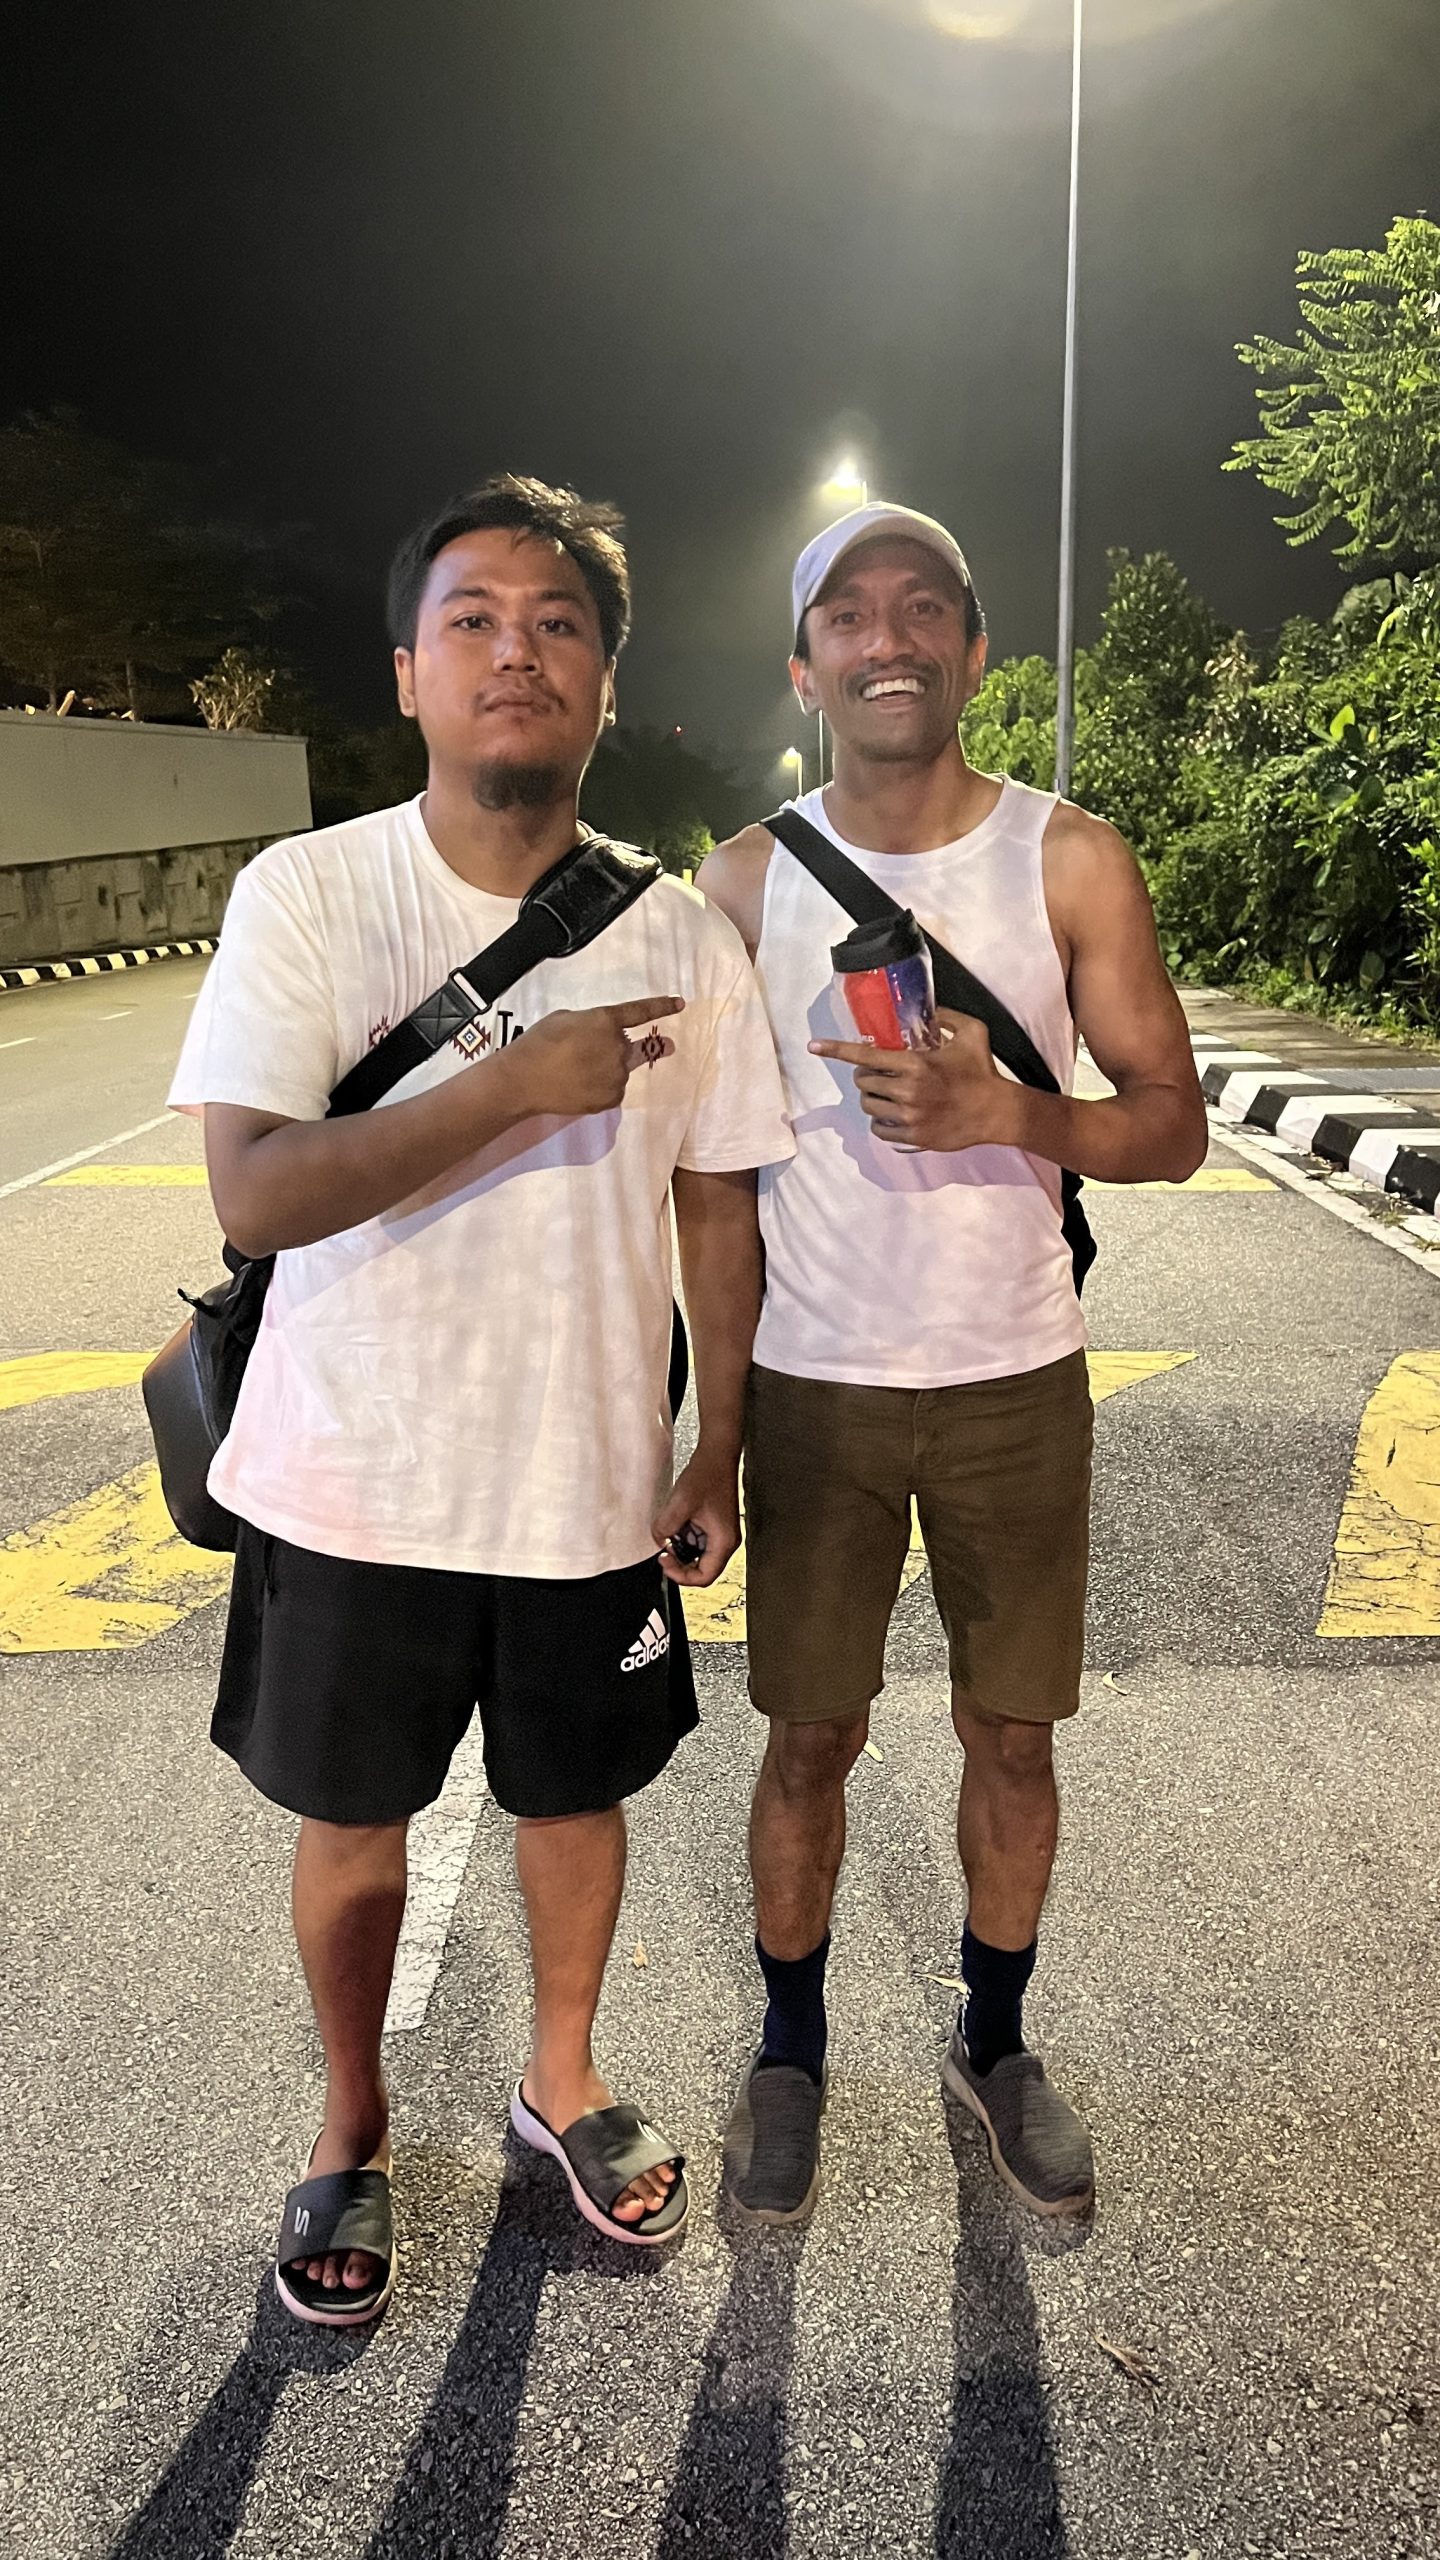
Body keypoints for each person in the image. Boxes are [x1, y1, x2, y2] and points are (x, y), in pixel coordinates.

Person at [169, 473, 792, 2321]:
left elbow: (719, 1202)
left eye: (557, 625)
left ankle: (561, 2079)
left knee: (574, 1802)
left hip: (586, 1476)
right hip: (348, 1476)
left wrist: (719, 1441)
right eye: (474, 622)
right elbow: (256, 1192)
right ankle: (351, 2121)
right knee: (351, 1820)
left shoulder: (680, 935)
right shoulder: (309, 891)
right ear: (409, 673)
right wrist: (512, 1087)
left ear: (604, 682)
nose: (516, 652)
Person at [697, 501, 1206, 2225]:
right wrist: (708, 1431)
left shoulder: (1072, 860)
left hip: (1015, 1379)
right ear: (805, 667)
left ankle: (996, 2040)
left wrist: (1014, 1114)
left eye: (923, 608)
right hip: (815, 1387)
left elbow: (1172, 1126)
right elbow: (711, 1188)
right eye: (850, 614)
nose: (889, 638)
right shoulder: (744, 885)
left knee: (1015, 1738)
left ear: (975, 651)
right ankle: (789, 2051)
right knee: (807, 1739)